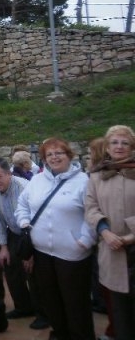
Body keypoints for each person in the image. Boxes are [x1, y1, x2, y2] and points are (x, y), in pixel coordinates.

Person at [16, 137, 96, 340]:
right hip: (42, 252)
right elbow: (22, 205)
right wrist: (25, 223)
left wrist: (85, 240)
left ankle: (81, 336)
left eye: (59, 153)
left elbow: (93, 213)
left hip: (72, 254)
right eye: (49, 154)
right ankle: (60, 333)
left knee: (75, 301)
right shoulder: (37, 181)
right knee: (50, 299)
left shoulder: (83, 182)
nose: (54, 157)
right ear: (43, 159)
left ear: (69, 155)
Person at [86, 125, 135, 340]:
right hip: (111, 248)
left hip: (132, 245)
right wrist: (104, 231)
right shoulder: (96, 176)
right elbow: (91, 207)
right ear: (107, 147)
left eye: (125, 143)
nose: (119, 147)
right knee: (118, 307)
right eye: (114, 142)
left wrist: (131, 235)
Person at [0, 157, 47, 330]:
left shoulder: (24, 188)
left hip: (32, 232)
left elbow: (34, 221)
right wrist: (3, 246)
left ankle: (43, 313)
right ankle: (23, 307)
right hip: (14, 232)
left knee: (32, 272)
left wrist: (30, 253)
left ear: (9, 173)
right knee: (9, 266)